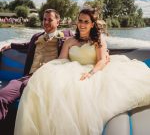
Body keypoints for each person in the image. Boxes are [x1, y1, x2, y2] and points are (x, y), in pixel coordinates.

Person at [14, 8, 150, 135]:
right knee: (48, 87)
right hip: (71, 69)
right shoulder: (69, 41)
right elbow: (61, 60)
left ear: (92, 24)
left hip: (94, 70)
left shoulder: (98, 40)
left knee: (82, 90)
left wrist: (91, 73)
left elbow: (102, 61)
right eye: (80, 20)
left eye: (86, 21)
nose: (82, 24)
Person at [0, 9, 72, 121]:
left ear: (58, 22)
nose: (46, 22)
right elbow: (26, 45)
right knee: (2, 95)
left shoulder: (65, 38)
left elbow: (81, 41)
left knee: (28, 89)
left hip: (47, 80)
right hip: (28, 77)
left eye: (50, 19)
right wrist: (11, 45)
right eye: (44, 19)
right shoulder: (36, 37)